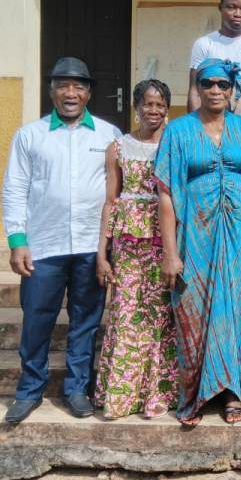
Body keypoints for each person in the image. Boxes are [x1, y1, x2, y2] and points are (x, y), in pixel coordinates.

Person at [2, 57, 121, 425]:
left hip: (90, 247)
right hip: (44, 246)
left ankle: (76, 390)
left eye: (78, 86)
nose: (71, 93)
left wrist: (110, 247)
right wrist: (17, 240)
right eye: (63, 86)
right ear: (51, 91)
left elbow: (117, 191)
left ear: (88, 93)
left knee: (86, 321)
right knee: (37, 320)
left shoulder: (108, 135)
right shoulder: (30, 135)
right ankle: (29, 390)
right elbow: (15, 188)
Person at [155, 58, 241, 426]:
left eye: (222, 84)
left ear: (233, 90)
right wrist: (170, 253)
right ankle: (193, 395)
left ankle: (230, 391)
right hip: (194, 236)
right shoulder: (178, 131)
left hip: (238, 237)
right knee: (193, 313)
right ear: (197, 88)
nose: (215, 90)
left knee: (235, 313)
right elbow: (166, 194)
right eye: (207, 83)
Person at [93, 79, 176, 420]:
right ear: (136, 107)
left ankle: (157, 395)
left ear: (167, 109)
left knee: (160, 316)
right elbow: (111, 201)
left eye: (160, 105)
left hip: (164, 241)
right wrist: (102, 254)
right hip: (127, 243)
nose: (153, 110)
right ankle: (121, 398)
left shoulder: (174, 143)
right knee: (126, 314)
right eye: (147, 104)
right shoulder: (118, 147)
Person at [188, 0, 241, 111]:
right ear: (220, 7)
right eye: (231, 7)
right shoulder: (204, 44)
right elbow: (195, 90)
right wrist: (194, 122)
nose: (237, 14)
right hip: (213, 114)